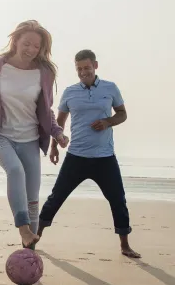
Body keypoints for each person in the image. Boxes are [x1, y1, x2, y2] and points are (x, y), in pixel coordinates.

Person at [0, 20, 69, 249]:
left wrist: (57, 133)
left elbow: (46, 111)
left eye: (37, 46)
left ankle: (30, 251)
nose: (32, 50)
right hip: (0, 136)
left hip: (30, 140)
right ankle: (23, 229)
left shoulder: (44, 73)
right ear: (15, 41)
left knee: (33, 201)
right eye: (27, 44)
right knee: (14, 170)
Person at [38, 49, 141, 258]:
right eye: (79, 69)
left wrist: (107, 122)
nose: (83, 72)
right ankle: (34, 236)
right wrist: (54, 146)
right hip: (76, 156)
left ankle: (125, 245)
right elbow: (60, 122)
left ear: (95, 65)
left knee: (118, 200)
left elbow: (122, 114)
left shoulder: (110, 88)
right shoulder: (70, 92)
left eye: (86, 67)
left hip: (105, 158)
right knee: (56, 197)